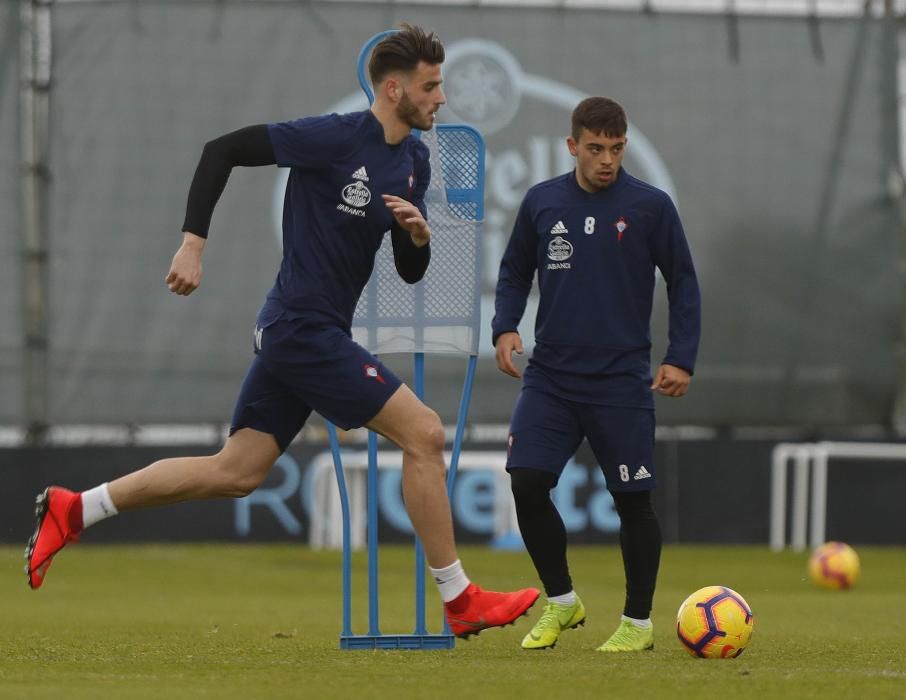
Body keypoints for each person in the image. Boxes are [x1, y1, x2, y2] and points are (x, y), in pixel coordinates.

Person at [25, 24, 539, 638]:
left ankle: (76, 508)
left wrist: (417, 236)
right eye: (431, 86)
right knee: (425, 434)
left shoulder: (415, 161)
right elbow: (221, 150)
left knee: (236, 473)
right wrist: (193, 244)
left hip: (300, 332)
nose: (442, 98)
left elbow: (409, 271)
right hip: (301, 328)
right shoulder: (333, 136)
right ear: (394, 88)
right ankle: (459, 601)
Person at [492, 96, 701, 652]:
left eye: (615, 148)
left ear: (624, 145)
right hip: (552, 378)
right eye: (595, 148)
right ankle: (562, 602)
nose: (606, 159)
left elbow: (682, 282)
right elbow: (513, 271)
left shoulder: (651, 207)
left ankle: (637, 623)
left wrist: (681, 356)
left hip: (620, 381)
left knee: (632, 502)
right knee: (527, 481)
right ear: (572, 146)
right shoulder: (542, 203)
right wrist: (505, 326)